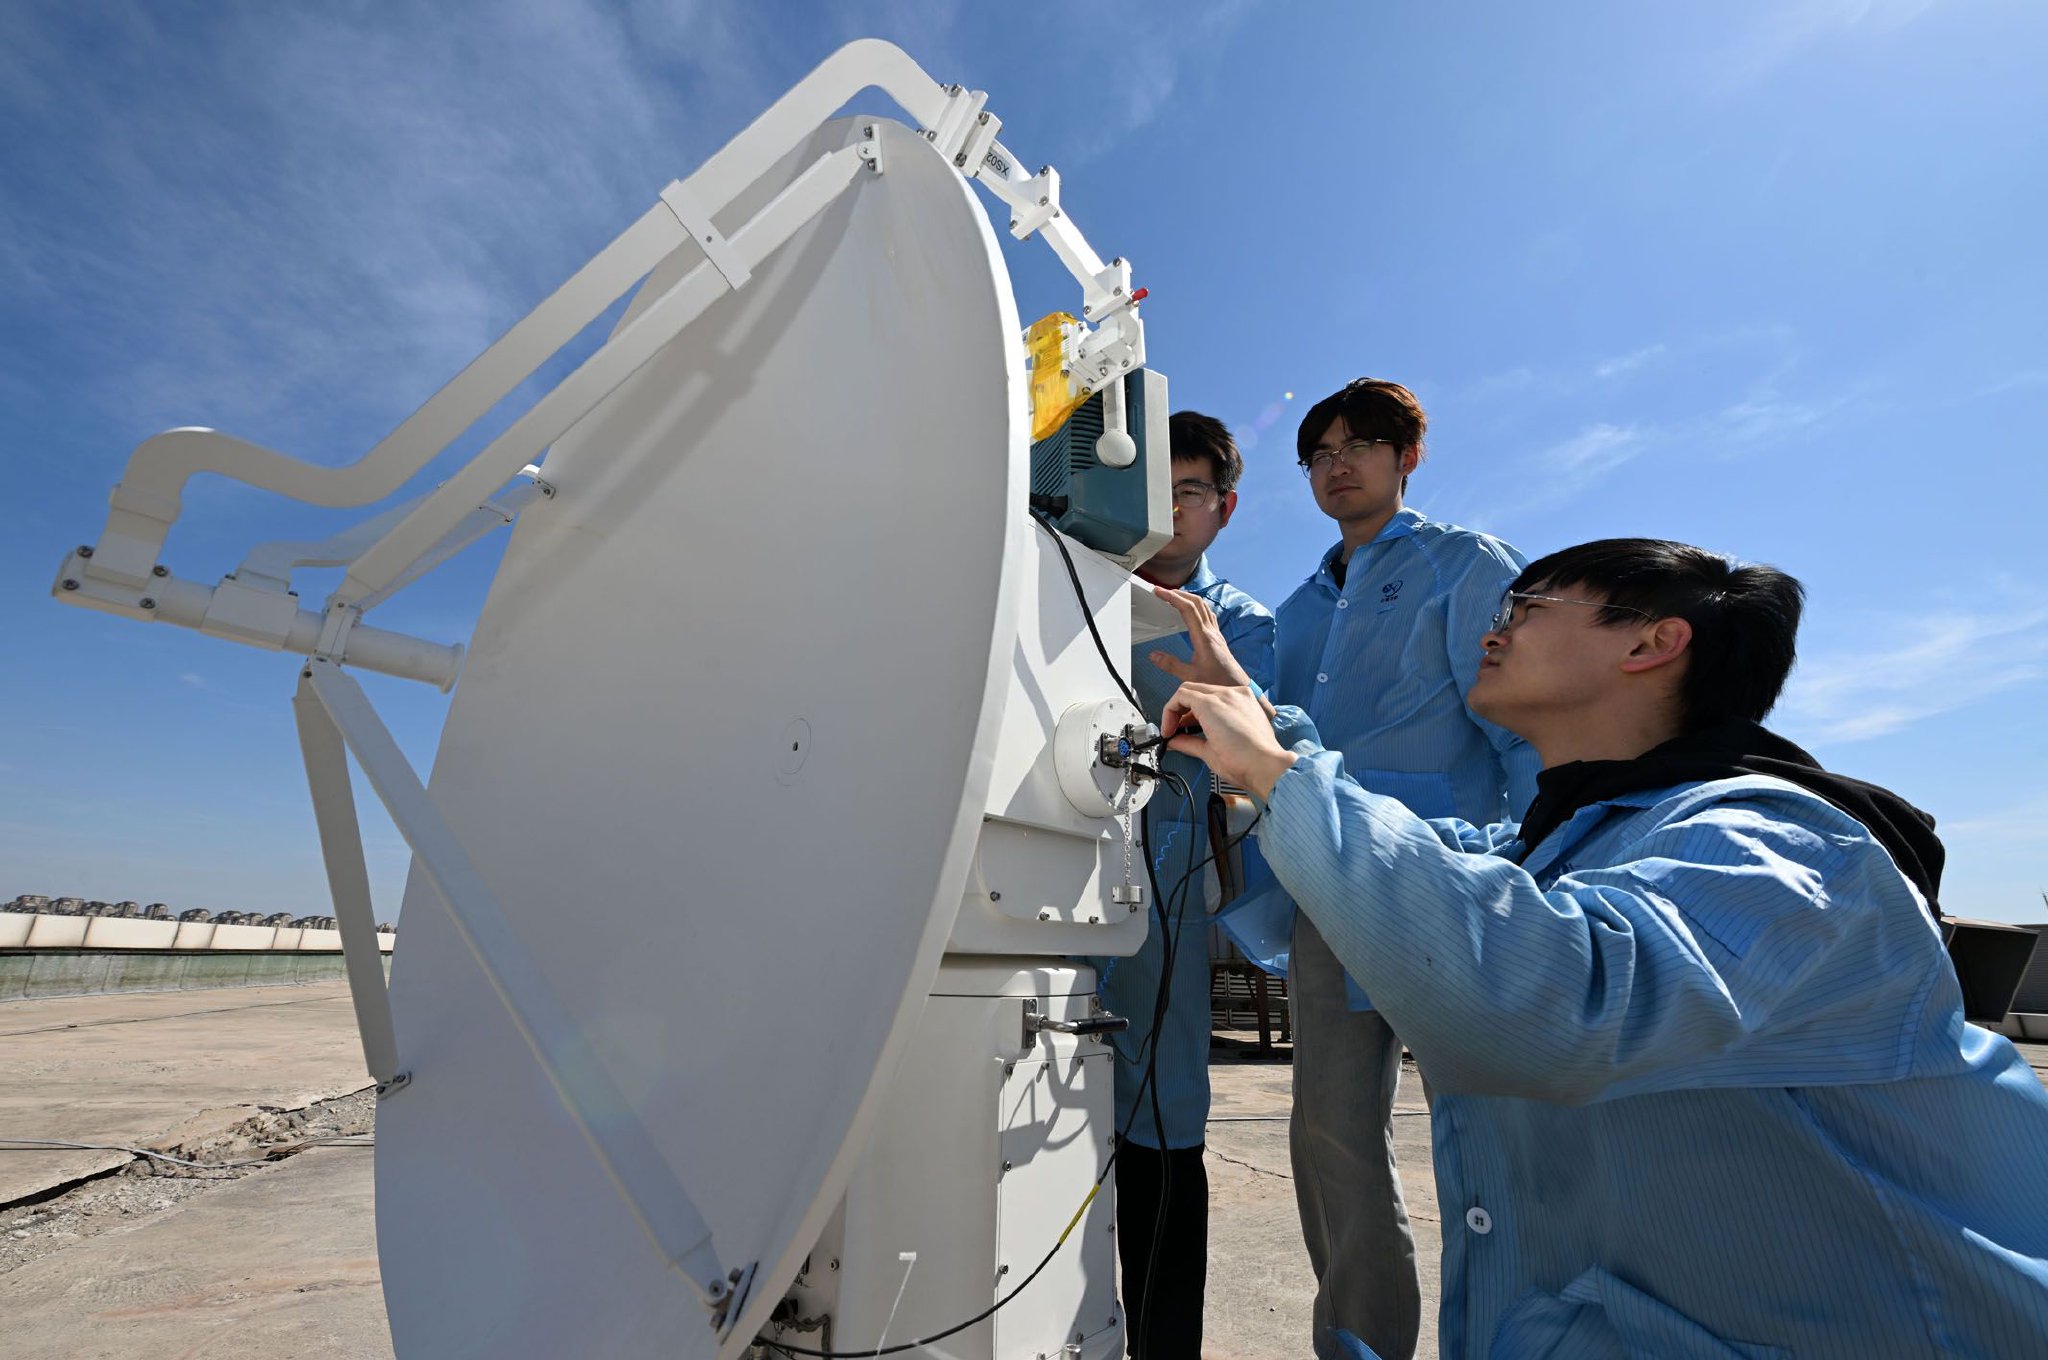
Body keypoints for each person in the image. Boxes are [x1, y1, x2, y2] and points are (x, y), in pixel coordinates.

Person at [1157, 537, 2048, 1359]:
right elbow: (1420, 859)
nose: (1493, 629)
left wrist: (1275, 773)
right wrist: (1262, 724)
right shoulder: (1559, 846)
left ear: (1652, 643)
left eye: (1526, 608)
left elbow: (1553, 1005)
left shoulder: (1777, 846)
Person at [1248, 378, 1537, 1360]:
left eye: (1358, 442)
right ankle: (1357, 1346)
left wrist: (1552, 859)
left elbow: (1523, 730)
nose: (1336, 462)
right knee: (1328, 1138)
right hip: (1329, 889)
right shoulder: (1292, 612)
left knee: (1500, 1140)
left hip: (1457, 884)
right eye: (1318, 451)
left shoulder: (1465, 565)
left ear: (1405, 456)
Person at [1096, 410, 1273, 1358]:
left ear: (1225, 507)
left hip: (1164, 919)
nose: (1167, 509)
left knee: (1161, 1138)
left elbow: (1262, 760)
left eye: (1190, 490)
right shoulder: (1060, 599)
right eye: (1149, 488)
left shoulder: (1242, 626)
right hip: (1044, 907)